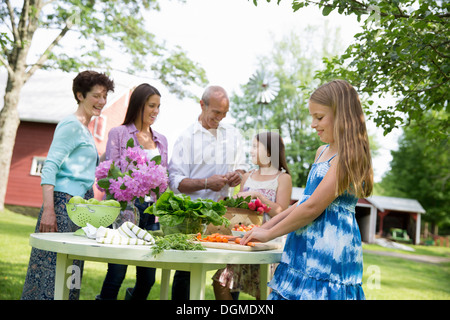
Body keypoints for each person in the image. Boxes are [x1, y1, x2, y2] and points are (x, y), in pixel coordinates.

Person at [241, 80, 373, 300]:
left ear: (342, 115)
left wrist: (270, 234)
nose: (313, 124)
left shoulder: (349, 156)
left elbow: (313, 207)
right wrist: (265, 228)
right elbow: (303, 202)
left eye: (319, 117)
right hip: (303, 245)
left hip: (329, 252)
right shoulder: (322, 151)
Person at [21, 70, 115, 300]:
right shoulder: (71, 125)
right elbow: (50, 166)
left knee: (71, 270)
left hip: (78, 209)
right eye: (96, 96)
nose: (101, 102)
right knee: (51, 270)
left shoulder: (85, 129)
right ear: (80, 95)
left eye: (104, 96)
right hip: (62, 205)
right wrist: (49, 211)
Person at [168, 85, 248, 299]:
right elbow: (175, 181)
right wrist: (205, 183)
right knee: (186, 272)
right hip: (191, 217)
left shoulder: (232, 135)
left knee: (229, 271)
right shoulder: (186, 138)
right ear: (202, 105)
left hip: (223, 215)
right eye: (216, 112)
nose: (220, 118)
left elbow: (242, 167)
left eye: (224, 113)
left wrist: (237, 176)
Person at [96, 83, 168, 300]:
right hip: (124, 211)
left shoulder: (161, 140)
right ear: (138, 105)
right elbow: (112, 172)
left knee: (147, 279)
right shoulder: (119, 133)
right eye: (151, 106)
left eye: (158, 106)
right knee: (117, 273)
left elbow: (164, 179)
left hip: (151, 213)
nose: (155, 111)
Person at [212, 131, 292, 300]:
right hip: (244, 240)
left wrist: (260, 197)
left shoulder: (283, 178)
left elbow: (282, 212)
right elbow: (240, 210)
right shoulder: (247, 177)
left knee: (263, 292)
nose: (251, 151)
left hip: (269, 242)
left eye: (256, 146)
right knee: (221, 282)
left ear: (269, 152)